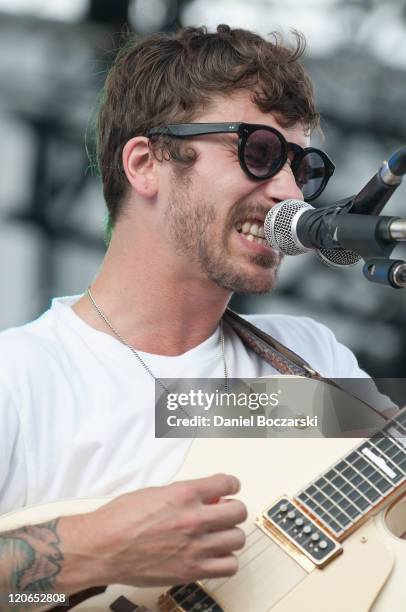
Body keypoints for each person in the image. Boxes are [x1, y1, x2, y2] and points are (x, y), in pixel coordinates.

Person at [0, 24, 392, 598]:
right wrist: (94, 548)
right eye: (259, 153)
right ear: (145, 163)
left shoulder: (308, 354)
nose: (290, 192)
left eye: (302, 167)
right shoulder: (18, 378)